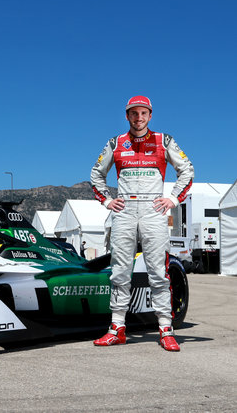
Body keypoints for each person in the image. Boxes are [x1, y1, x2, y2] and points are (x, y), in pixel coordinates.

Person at [90, 95, 194, 352]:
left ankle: (165, 329)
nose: (138, 118)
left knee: (158, 273)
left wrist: (172, 199)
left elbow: (187, 170)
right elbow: (96, 175)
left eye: (143, 113)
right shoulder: (116, 143)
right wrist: (106, 202)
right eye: (134, 113)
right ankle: (117, 328)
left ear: (150, 115)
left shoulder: (163, 141)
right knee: (119, 272)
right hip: (124, 210)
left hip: (153, 210)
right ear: (127, 116)